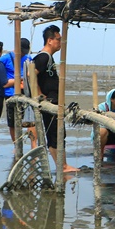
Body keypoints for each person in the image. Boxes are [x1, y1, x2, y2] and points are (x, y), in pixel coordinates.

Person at [33, 25, 79, 174]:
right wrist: (40, 94)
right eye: (58, 39)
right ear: (50, 40)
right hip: (50, 102)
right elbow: (30, 74)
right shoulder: (43, 56)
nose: (60, 42)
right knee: (54, 133)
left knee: (58, 133)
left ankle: (63, 165)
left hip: (54, 100)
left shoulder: (48, 57)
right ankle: (62, 166)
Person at [1, 37, 36, 147]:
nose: (22, 54)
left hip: (25, 91)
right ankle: (16, 146)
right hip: (10, 93)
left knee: (30, 120)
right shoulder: (5, 58)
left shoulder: (28, 58)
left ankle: (33, 144)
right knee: (12, 122)